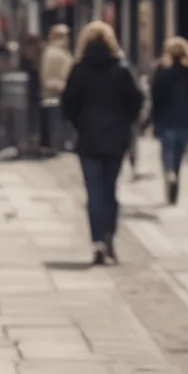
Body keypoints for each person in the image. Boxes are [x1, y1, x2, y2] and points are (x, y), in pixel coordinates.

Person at [60, 21, 144, 265]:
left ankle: (97, 241)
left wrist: (80, 124)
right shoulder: (122, 70)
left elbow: (68, 104)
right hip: (116, 140)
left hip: (88, 140)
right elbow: (136, 102)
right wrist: (125, 123)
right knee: (110, 191)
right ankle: (109, 238)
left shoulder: (79, 70)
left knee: (94, 193)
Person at [150, 36, 188, 204]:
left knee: (167, 154)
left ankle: (169, 175)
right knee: (178, 159)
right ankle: (174, 183)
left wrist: (154, 120)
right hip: (185, 122)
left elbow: (156, 99)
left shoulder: (161, 73)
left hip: (167, 122)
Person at [41, 24, 74, 151]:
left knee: (58, 122)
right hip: (53, 96)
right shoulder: (53, 53)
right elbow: (48, 77)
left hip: (56, 95)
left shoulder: (59, 52)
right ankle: (56, 145)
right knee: (56, 122)